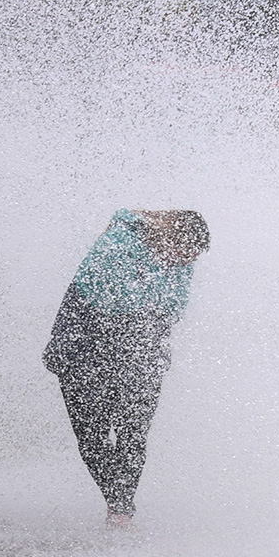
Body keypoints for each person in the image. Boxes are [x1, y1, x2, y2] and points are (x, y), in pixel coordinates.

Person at [43, 209, 210, 525]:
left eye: (193, 257)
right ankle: (118, 504)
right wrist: (149, 314)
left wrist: (151, 328)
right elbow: (114, 296)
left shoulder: (181, 262)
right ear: (169, 237)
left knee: (133, 433)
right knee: (92, 437)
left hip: (140, 352)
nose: (187, 261)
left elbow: (173, 309)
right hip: (83, 343)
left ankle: (121, 512)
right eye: (185, 252)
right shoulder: (120, 241)